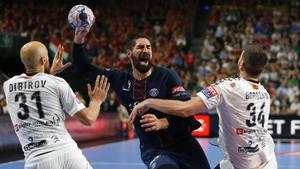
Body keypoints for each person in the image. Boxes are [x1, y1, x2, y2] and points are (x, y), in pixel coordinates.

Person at [72, 29, 210, 169]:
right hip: (154, 149)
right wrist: (78, 41)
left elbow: (186, 110)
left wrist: (164, 122)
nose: (146, 50)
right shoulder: (120, 79)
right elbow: (84, 69)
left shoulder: (167, 76)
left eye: (148, 47)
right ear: (129, 53)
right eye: (140, 47)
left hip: (184, 145)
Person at [130, 45, 277, 169]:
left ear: (241, 64)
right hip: (267, 160)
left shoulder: (228, 87)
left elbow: (185, 109)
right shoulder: (264, 93)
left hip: (243, 164)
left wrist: (149, 102)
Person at [3, 41, 110, 169]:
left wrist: (48, 73)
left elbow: (34, 85)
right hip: (69, 154)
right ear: (44, 60)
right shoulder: (57, 83)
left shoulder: (8, 85)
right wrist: (96, 101)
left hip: (38, 160)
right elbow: (89, 118)